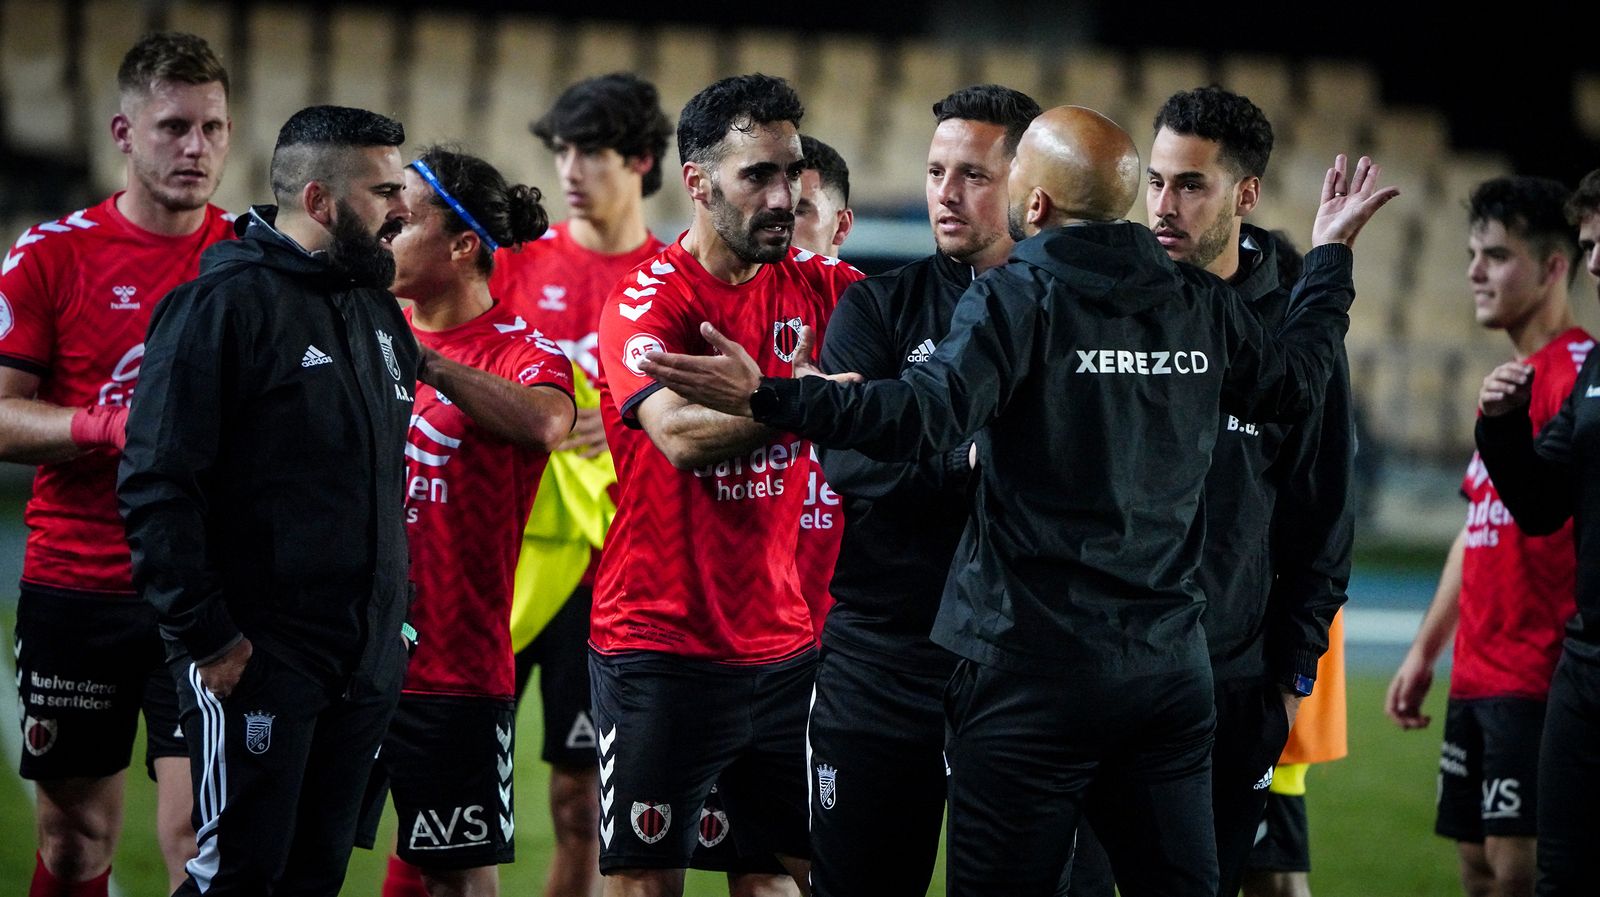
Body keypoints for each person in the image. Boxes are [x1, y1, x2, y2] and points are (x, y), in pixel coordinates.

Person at [640, 105, 1397, 897]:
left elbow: (921, 414)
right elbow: (1298, 380)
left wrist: (773, 394)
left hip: (1031, 673)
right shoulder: (1198, 301)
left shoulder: (1020, 296)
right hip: (1166, 675)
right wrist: (1331, 259)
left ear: (1034, 203)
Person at [117, 104, 416, 897]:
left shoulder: (378, 311)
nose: (404, 209)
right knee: (236, 879)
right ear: (319, 201)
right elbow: (156, 483)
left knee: (313, 880)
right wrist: (209, 636)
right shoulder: (222, 305)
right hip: (257, 662)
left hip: (360, 666)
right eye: (385, 191)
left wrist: (393, 626)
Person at [589, 73, 863, 897]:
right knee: (646, 881)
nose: (784, 196)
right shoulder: (647, 301)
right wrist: (798, 402)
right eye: (758, 176)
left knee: (794, 875)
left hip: (787, 648)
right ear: (699, 183)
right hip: (660, 648)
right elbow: (678, 434)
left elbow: (915, 380)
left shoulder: (825, 288)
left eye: (793, 172)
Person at [0, 31, 233, 897]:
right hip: (79, 583)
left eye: (212, 128)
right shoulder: (51, 253)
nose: (196, 147)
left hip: (206, 595)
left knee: (201, 836)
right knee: (74, 839)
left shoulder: (250, 262)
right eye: (174, 127)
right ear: (124, 134)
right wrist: (111, 428)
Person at [803, 84, 1040, 897]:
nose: (946, 192)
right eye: (937, 171)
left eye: (974, 174)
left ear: (1027, 185)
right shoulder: (878, 306)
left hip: (1019, 665)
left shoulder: (1069, 317)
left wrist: (915, 443)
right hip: (882, 657)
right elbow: (848, 460)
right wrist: (970, 463)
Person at [1138, 85, 1353, 897]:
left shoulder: (1296, 333)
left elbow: (1322, 520)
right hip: (1107, 675)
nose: (1165, 205)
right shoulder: (1117, 307)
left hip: (1235, 687)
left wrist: (1292, 681)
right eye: (1156, 181)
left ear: (1246, 194)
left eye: (1191, 185)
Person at [486, 71, 673, 897]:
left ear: (641, 160)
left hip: (607, 571)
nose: (569, 168)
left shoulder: (671, 278)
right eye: (561, 150)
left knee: (580, 803)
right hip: (493, 558)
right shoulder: (515, 264)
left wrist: (630, 419)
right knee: (442, 788)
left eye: (590, 151)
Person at [371, 147, 577, 897]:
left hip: (453, 668)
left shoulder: (523, 352)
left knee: (453, 877)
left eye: (405, 218)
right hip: (349, 657)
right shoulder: (365, 329)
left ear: (462, 244)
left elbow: (548, 422)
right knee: (301, 859)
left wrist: (428, 364)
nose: (387, 227)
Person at [1406, 174, 1594, 897]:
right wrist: (1426, 650)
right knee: (1479, 869)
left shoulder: (1577, 376)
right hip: (1477, 673)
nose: (1474, 273)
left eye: (1496, 255)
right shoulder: (1511, 381)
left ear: (1553, 267)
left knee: (1522, 869)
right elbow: (1476, 527)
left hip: (1540, 672)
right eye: (1471, 255)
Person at [688, 132, 858, 897]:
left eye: (805, 208)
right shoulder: (732, 344)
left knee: (834, 865)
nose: (784, 219)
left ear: (841, 226)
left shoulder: (877, 338)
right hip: (741, 647)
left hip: (841, 655)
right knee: (753, 870)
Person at [1242, 232, 1350, 897]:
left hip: (1269, 660)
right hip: (1265, 656)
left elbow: (1318, 529)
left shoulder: (1301, 389)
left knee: (1273, 872)